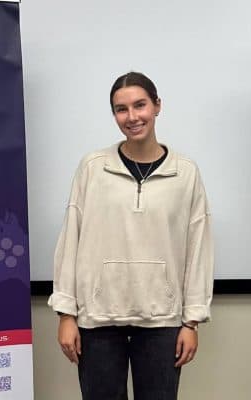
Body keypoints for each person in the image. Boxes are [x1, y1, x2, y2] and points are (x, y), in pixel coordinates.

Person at [48, 71, 214, 400]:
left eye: (140, 105)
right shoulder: (93, 167)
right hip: (97, 319)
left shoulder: (186, 172)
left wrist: (191, 322)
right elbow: (71, 239)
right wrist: (67, 315)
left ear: (157, 106)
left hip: (162, 321)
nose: (132, 117)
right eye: (121, 109)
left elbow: (199, 248)